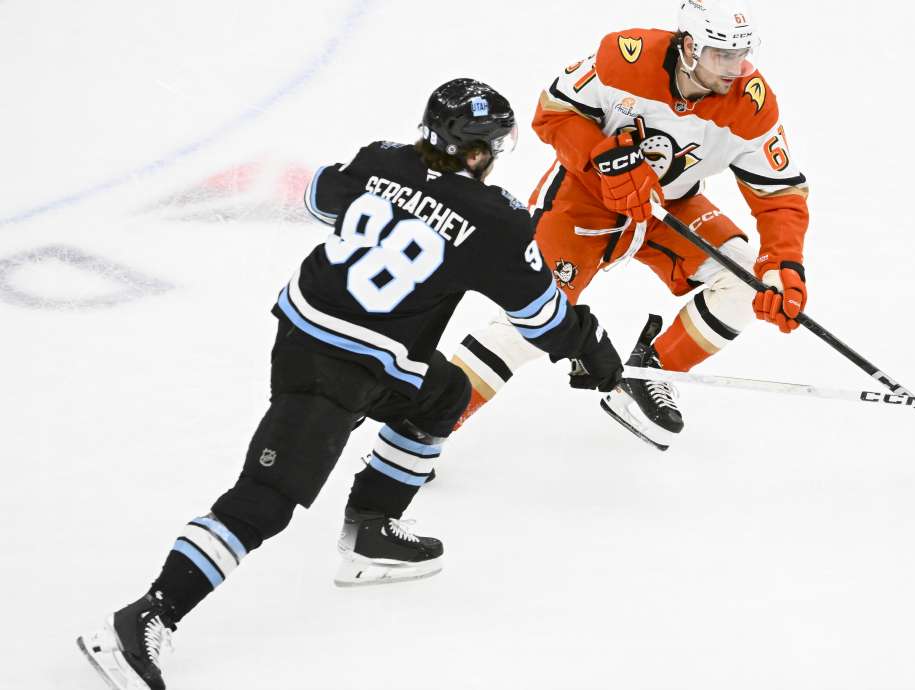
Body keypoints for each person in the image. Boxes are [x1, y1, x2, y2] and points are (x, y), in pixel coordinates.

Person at [76, 78, 623, 690]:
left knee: (441, 393)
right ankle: (146, 616)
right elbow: (545, 319)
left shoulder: (382, 157)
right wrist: (592, 352)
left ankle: (371, 527)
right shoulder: (496, 222)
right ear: (478, 152)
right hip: (333, 372)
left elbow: (318, 197)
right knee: (266, 498)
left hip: (312, 332)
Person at [451, 0, 810, 450]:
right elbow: (551, 113)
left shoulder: (751, 107)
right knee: (531, 323)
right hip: (582, 199)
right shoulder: (625, 57)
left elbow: (780, 195)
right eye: (722, 54)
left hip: (668, 206)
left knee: (750, 282)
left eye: (741, 54)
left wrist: (784, 262)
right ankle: (422, 426)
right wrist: (601, 157)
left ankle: (647, 375)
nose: (734, 68)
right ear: (689, 47)